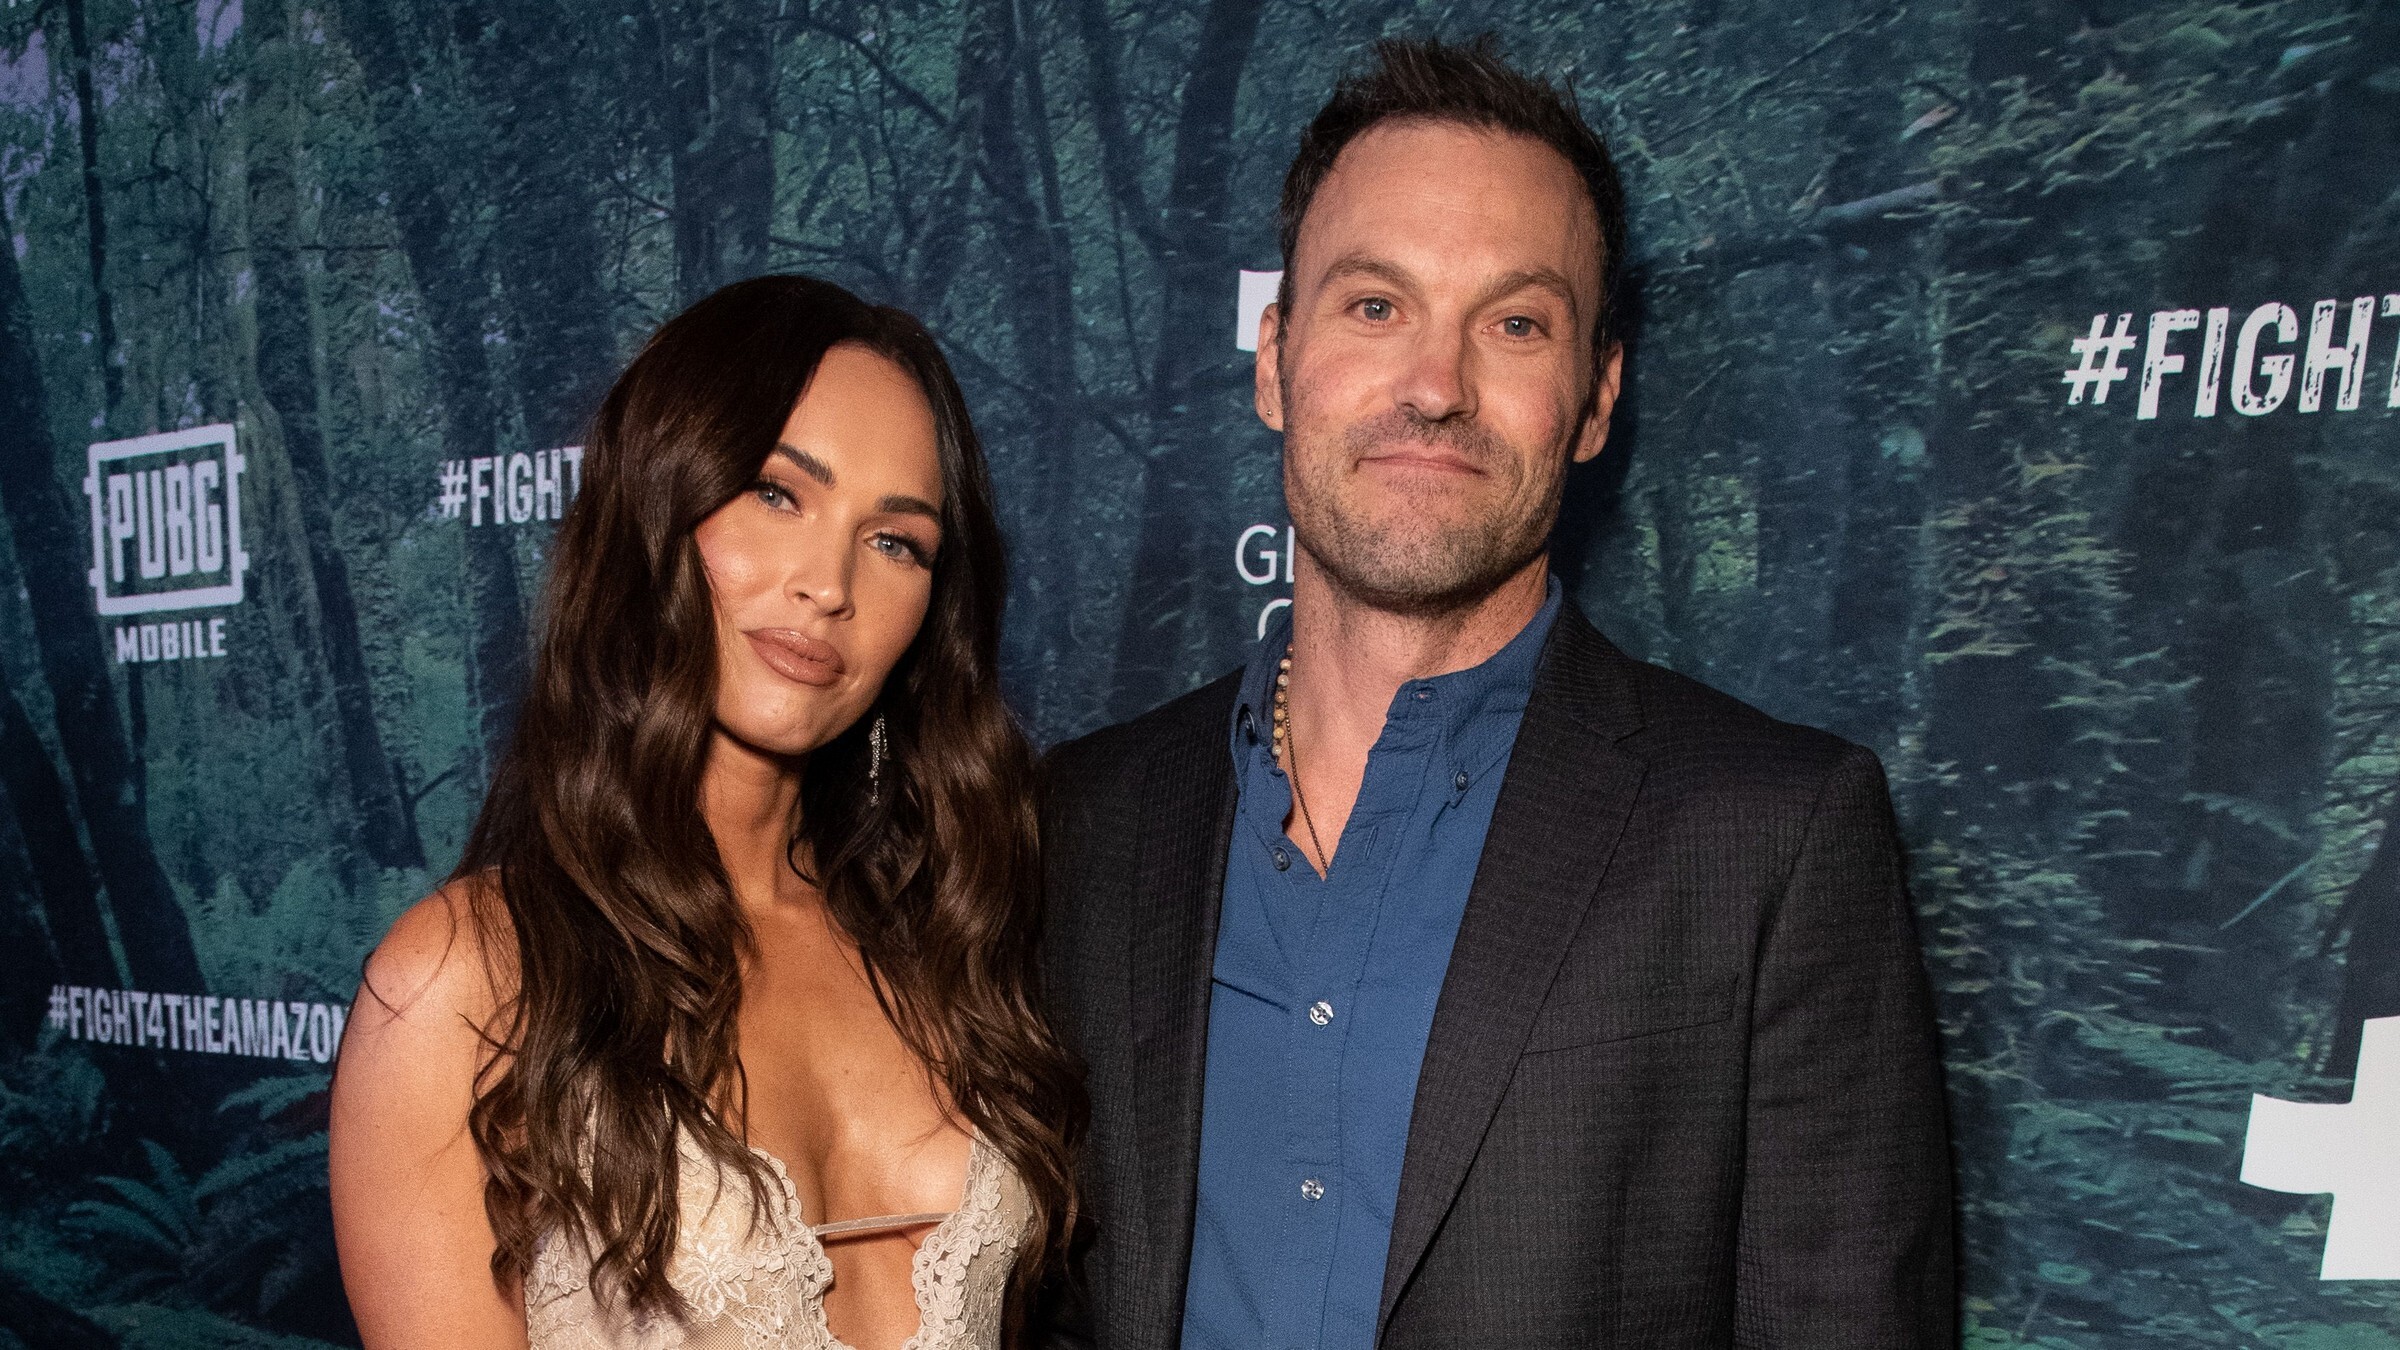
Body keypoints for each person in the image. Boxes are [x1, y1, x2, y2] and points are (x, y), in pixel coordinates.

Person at [1036, 38, 1953, 1350]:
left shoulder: (1772, 837)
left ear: (1595, 398)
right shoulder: (1086, 819)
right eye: (1375, 306)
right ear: (1273, 358)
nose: (1435, 386)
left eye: (1516, 323)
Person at [330, 275, 1081, 1350]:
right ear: (657, 505)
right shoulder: (466, 982)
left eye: (895, 542)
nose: (829, 583)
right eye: (778, 493)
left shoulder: (944, 944)